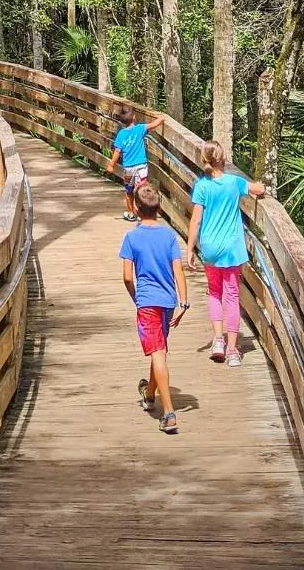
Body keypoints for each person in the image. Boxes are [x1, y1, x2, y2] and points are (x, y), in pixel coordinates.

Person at [186, 140, 265, 367]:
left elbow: (196, 219)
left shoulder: (201, 185)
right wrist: (262, 187)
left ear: (206, 160)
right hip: (232, 249)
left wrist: (191, 247)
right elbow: (257, 189)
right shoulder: (234, 182)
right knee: (231, 295)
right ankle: (232, 350)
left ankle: (218, 340)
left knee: (214, 292)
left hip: (210, 247)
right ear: (223, 158)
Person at [120, 180, 188, 433]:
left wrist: (136, 296)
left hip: (147, 301)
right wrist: (184, 302)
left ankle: (169, 413)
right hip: (169, 301)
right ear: (159, 209)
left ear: (136, 209)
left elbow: (127, 277)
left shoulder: (131, 237)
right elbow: (178, 271)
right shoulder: (169, 236)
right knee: (158, 346)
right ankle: (149, 392)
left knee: (158, 352)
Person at [109, 105, 162, 218]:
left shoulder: (121, 134)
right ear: (134, 117)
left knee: (129, 191)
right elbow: (154, 124)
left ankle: (131, 213)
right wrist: (161, 119)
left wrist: (111, 165)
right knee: (141, 189)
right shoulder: (140, 129)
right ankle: (142, 213)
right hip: (141, 166)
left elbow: (117, 151)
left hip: (128, 168)